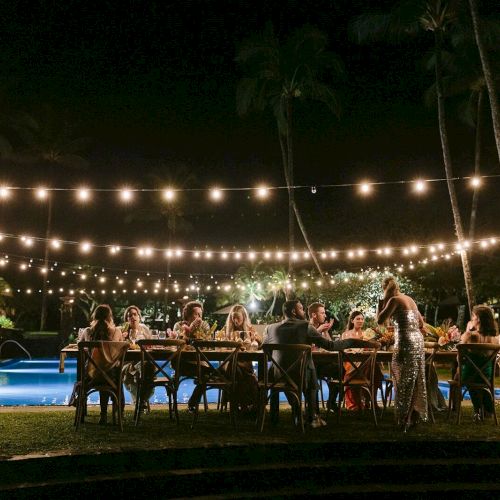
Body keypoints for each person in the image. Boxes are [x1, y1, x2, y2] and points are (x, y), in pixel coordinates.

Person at [264, 299, 376, 428]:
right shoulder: (305, 326)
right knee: (310, 371)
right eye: (301, 308)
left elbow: (264, 348)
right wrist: (352, 341)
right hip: (301, 377)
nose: (304, 311)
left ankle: (276, 417)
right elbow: (330, 345)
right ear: (294, 312)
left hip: (277, 377)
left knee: (304, 368)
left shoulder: (270, 328)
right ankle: (312, 417)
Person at [377, 276, 427, 431]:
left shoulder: (394, 301)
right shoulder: (409, 299)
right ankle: (413, 417)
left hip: (405, 341)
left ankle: (403, 419)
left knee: (402, 380)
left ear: (385, 289)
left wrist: (379, 304)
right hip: (418, 340)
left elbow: (380, 320)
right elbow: (421, 324)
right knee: (415, 378)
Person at [77, 304, 124, 425]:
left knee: (93, 370)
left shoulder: (87, 332)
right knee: (112, 371)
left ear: (94, 316)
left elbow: (80, 347)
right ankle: (111, 414)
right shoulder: (117, 332)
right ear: (110, 317)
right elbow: (121, 349)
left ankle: (81, 414)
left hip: (90, 377)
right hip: (111, 378)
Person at [457, 305, 499, 421]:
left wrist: (468, 330)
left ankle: (466, 409)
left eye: (473, 316)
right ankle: (487, 409)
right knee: (477, 378)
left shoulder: (469, 336)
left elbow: (460, 358)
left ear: (478, 319)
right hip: (487, 376)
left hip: (469, 376)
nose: (471, 319)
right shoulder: (494, 340)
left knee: (460, 376)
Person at [222, 304, 261, 413]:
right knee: (240, 372)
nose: (235, 320)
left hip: (244, 364)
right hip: (231, 364)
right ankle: (246, 405)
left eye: (237, 317)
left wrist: (256, 338)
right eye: (233, 317)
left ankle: (238, 406)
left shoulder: (249, 329)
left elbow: (260, 345)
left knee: (238, 372)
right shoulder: (226, 330)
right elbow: (222, 346)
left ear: (244, 317)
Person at [173, 301, 211, 410]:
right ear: (188, 314)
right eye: (196, 314)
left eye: (201, 314)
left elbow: (206, 344)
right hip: (181, 363)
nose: (200, 316)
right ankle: (191, 404)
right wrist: (189, 331)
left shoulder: (204, 325)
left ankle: (192, 403)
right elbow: (178, 342)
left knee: (208, 376)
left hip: (199, 363)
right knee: (210, 374)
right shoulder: (178, 325)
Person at [121, 305, 154, 411]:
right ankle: (142, 401)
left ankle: (140, 401)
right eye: (129, 315)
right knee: (144, 371)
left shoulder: (144, 329)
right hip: (128, 364)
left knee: (146, 369)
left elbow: (151, 345)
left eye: (135, 314)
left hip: (143, 362)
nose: (132, 317)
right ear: (126, 319)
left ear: (139, 317)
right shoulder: (122, 330)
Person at [308, 302, 338, 412]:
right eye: (323, 313)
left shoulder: (322, 328)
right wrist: (319, 331)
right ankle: (314, 411)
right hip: (309, 365)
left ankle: (331, 401)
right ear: (314, 315)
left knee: (340, 370)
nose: (325, 315)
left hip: (322, 363)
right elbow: (307, 347)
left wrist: (325, 332)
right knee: (312, 375)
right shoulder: (307, 327)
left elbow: (330, 346)